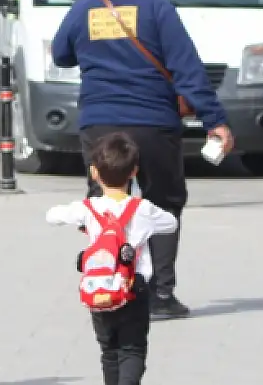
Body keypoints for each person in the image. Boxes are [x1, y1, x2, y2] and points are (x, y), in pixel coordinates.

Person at [50, 0, 232, 319]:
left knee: (104, 204)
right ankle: (161, 296)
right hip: (154, 123)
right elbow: (188, 71)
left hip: (99, 123)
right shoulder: (160, 10)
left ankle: (105, 283)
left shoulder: (85, 8)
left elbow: (61, 54)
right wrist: (215, 121)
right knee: (164, 203)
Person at [47, 132, 178, 385]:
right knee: (133, 348)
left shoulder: (88, 208)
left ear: (94, 173)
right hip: (133, 285)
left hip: (100, 286)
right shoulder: (142, 209)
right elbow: (170, 224)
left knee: (109, 350)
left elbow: (51, 215)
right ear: (134, 172)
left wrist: (84, 222)